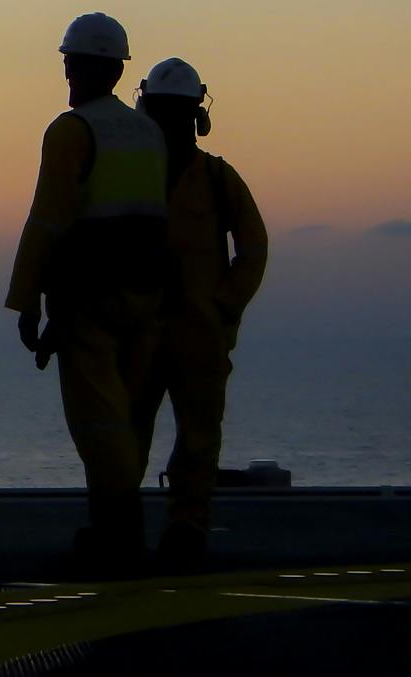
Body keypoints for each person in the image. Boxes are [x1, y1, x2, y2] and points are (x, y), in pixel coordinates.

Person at [6, 14, 169, 565]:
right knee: (129, 415)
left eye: (70, 62)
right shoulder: (149, 132)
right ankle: (119, 526)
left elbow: (49, 220)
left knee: (98, 420)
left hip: (91, 302)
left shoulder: (71, 131)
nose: (67, 72)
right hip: (146, 295)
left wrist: (26, 298)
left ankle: (118, 533)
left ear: (77, 65)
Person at [130, 58, 268, 565]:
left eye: (175, 113)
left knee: (198, 437)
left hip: (196, 334)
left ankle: (186, 528)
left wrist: (221, 308)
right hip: (141, 330)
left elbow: (253, 249)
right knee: (127, 436)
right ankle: (123, 527)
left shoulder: (216, 178)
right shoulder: (131, 175)